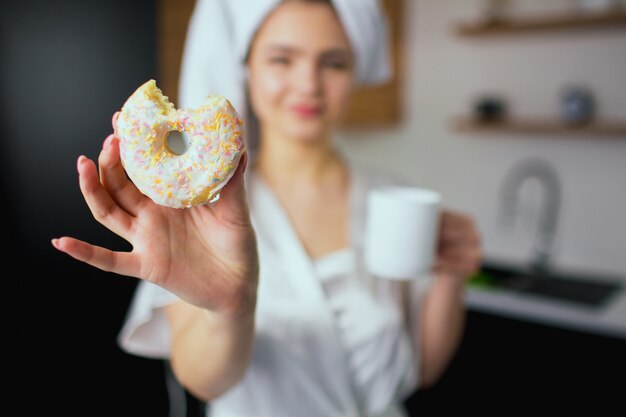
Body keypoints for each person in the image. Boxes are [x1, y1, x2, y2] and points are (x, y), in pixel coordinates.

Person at [52, 0, 482, 416]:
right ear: (247, 69)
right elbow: (204, 381)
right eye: (282, 59)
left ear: (355, 73)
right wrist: (229, 308)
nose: (309, 83)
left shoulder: (394, 200)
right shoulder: (200, 211)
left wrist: (450, 276)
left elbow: (422, 368)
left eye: (333, 62)